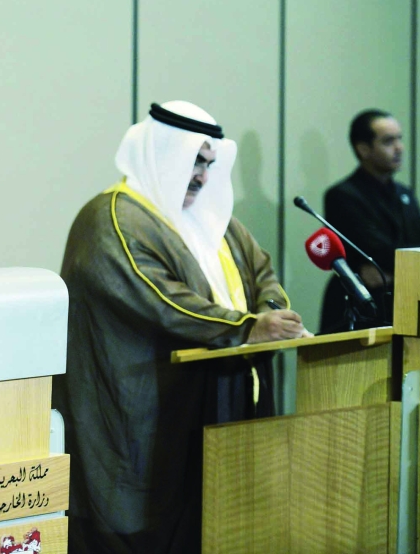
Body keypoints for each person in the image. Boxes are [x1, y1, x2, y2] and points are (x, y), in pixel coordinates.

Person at [52, 101, 307, 554]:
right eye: (194, 161)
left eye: (209, 164)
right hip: (140, 415)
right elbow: (161, 300)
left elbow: (262, 274)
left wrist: (273, 315)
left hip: (213, 409)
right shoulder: (112, 219)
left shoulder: (213, 220)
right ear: (163, 154)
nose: (202, 177)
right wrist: (247, 328)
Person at [319, 109, 420, 333]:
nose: (399, 148)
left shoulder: (404, 194)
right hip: (360, 310)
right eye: (388, 141)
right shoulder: (343, 196)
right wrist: (405, 267)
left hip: (407, 304)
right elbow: (378, 252)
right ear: (363, 149)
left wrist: (391, 275)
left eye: (399, 139)